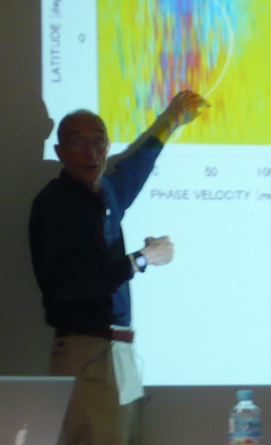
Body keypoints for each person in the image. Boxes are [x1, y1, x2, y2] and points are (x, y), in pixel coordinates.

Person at [29, 90, 209, 445]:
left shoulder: (107, 193)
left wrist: (170, 121)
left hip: (118, 351)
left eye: (98, 141)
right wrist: (142, 259)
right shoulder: (55, 204)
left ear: (108, 146)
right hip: (86, 350)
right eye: (78, 142)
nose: (91, 151)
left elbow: (137, 168)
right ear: (60, 152)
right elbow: (71, 284)